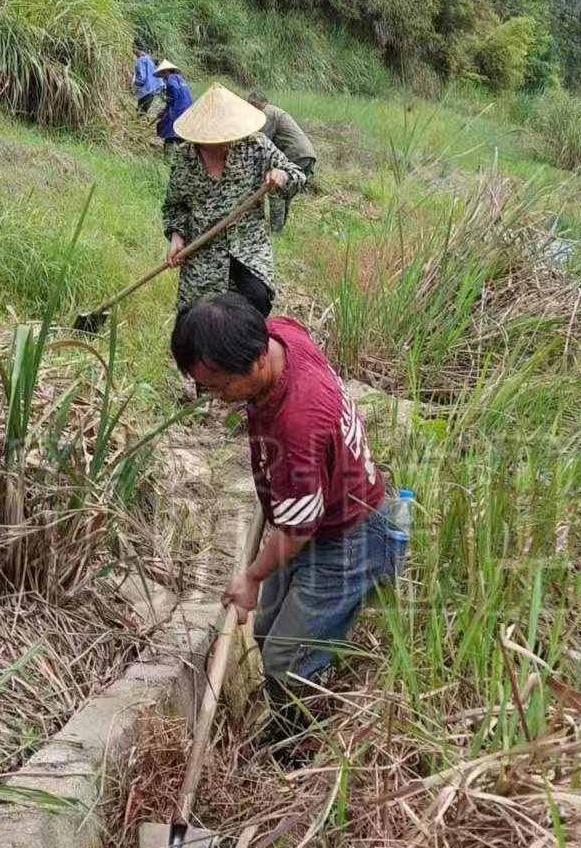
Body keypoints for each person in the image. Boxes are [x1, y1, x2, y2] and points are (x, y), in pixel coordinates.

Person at [170, 292, 406, 738]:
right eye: (205, 386)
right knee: (266, 627)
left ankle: (301, 740)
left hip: (347, 536)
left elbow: (297, 532)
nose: (216, 398)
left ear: (257, 360)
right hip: (315, 510)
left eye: (220, 386)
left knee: (286, 658)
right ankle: (288, 708)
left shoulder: (297, 425)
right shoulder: (282, 335)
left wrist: (252, 577)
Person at [164, 85, 306, 315]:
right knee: (196, 319)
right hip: (203, 253)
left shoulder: (255, 146)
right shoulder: (184, 157)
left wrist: (283, 176)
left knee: (255, 302)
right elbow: (174, 206)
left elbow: (297, 175)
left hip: (248, 248)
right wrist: (177, 237)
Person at [247, 90, 317, 233]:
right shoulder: (275, 112)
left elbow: (262, 142)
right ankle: (280, 228)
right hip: (307, 155)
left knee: (275, 190)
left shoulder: (266, 113)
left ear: (255, 104)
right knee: (287, 191)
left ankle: (276, 231)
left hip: (295, 154)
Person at [154, 59, 193, 149]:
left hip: (177, 109)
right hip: (188, 108)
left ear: (166, 71)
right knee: (181, 131)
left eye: (163, 74)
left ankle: (169, 152)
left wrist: (164, 113)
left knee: (168, 129)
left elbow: (171, 101)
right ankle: (180, 149)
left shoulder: (170, 82)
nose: (163, 78)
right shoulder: (180, 79)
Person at [133, 40, 162, 114]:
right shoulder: (149, 58)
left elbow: (142, 78)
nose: (132, 50)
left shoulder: (140, 60)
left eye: (133, 47)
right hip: (152, 90)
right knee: (144, 112)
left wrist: (134, 85)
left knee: (141, 113)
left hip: (145, 90)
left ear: (136, 48)